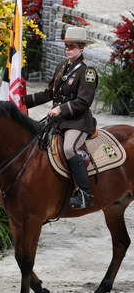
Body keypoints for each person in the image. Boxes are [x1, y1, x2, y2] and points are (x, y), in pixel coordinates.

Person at [24, 26, 97, 209]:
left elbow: (83, 101)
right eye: (66, 46)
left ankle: (83, 193)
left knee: (69, 149)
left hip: (78, 121)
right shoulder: (62, 67)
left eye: (72, 46)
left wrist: (61, 109)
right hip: (58, 120)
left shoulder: (88, 72)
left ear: (81, 48)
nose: (68, 49)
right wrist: (23, 101)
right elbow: (50, 93)